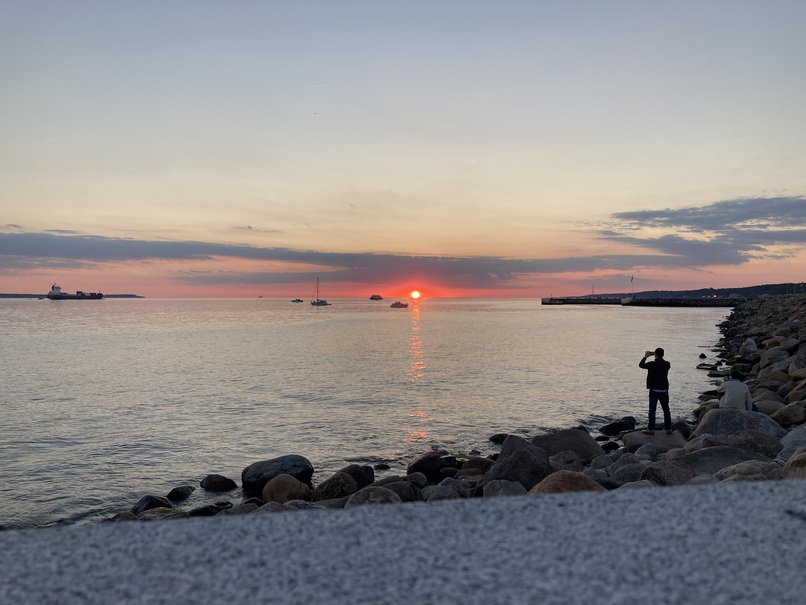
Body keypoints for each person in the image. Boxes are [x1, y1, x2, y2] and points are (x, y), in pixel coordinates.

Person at [639, 348, 672, 435]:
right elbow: (660, 359)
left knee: (652, 410)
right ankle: (668, 428)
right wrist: (656, 354)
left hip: (654, 390)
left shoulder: (652, 364)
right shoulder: (667, 364)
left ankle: (651, 429)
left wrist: (646, 356)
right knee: (666, 409)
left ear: (656, 355)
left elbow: (641, 365)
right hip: (664, 389)